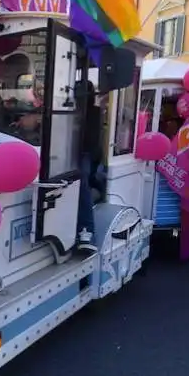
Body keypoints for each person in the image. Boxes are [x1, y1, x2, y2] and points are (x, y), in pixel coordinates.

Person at [76, 81, 103, 253]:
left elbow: (90, 141)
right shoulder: (71, 110)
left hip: (85, 153)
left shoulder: (93, 112)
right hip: (72, 151)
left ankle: (86, 230)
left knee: (81, 183)